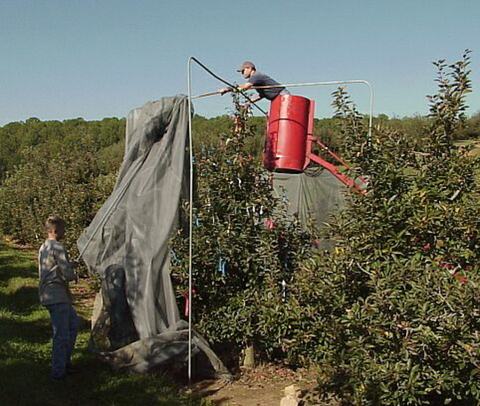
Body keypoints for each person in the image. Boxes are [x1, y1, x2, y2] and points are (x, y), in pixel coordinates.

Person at [38, 215, 79, 380]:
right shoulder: (58, 247)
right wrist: (73, 273)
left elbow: (55, 267)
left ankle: (64, 363)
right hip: (57, 295)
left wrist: (70, 264)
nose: (65, 232)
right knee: (62, 333)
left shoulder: (44, 247)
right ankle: (58, 372)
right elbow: (67, 274)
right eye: (63, 229)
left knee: (72, 325)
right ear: (55, 230)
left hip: (49, 293)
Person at [220, 61, 290, 103]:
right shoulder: (255, 81)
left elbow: (246, 86)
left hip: (282, 95)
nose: (242, 74)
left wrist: (228, 89)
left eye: (243, 71)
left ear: (249, 68)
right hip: (275, 98)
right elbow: (262, 95)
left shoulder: (256, 76)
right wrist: (249, 102)